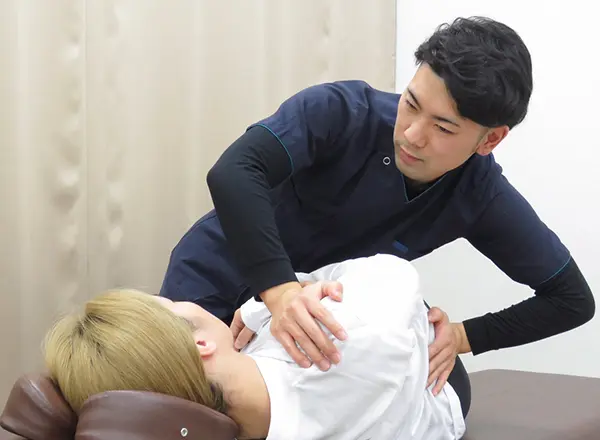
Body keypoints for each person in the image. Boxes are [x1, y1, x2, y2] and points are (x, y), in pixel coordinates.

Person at [159, 15, 595, 413]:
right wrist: (281, 293)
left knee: (447, 394)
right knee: (189, 407)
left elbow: (571, 300)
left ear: (490, 140)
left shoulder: (480, 195)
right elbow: (235, 172)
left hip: (317, 326)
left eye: (443, 127)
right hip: (220, 278)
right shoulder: (343, 111)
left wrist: (464, 336)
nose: (412, 135)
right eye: (411, 103)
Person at [43, 254, 466, 440]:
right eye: (169, 303)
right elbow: (393, 273)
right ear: (201, 343)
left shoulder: (217, 421)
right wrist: (278, 299)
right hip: (436, 388)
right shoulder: (339, 338)